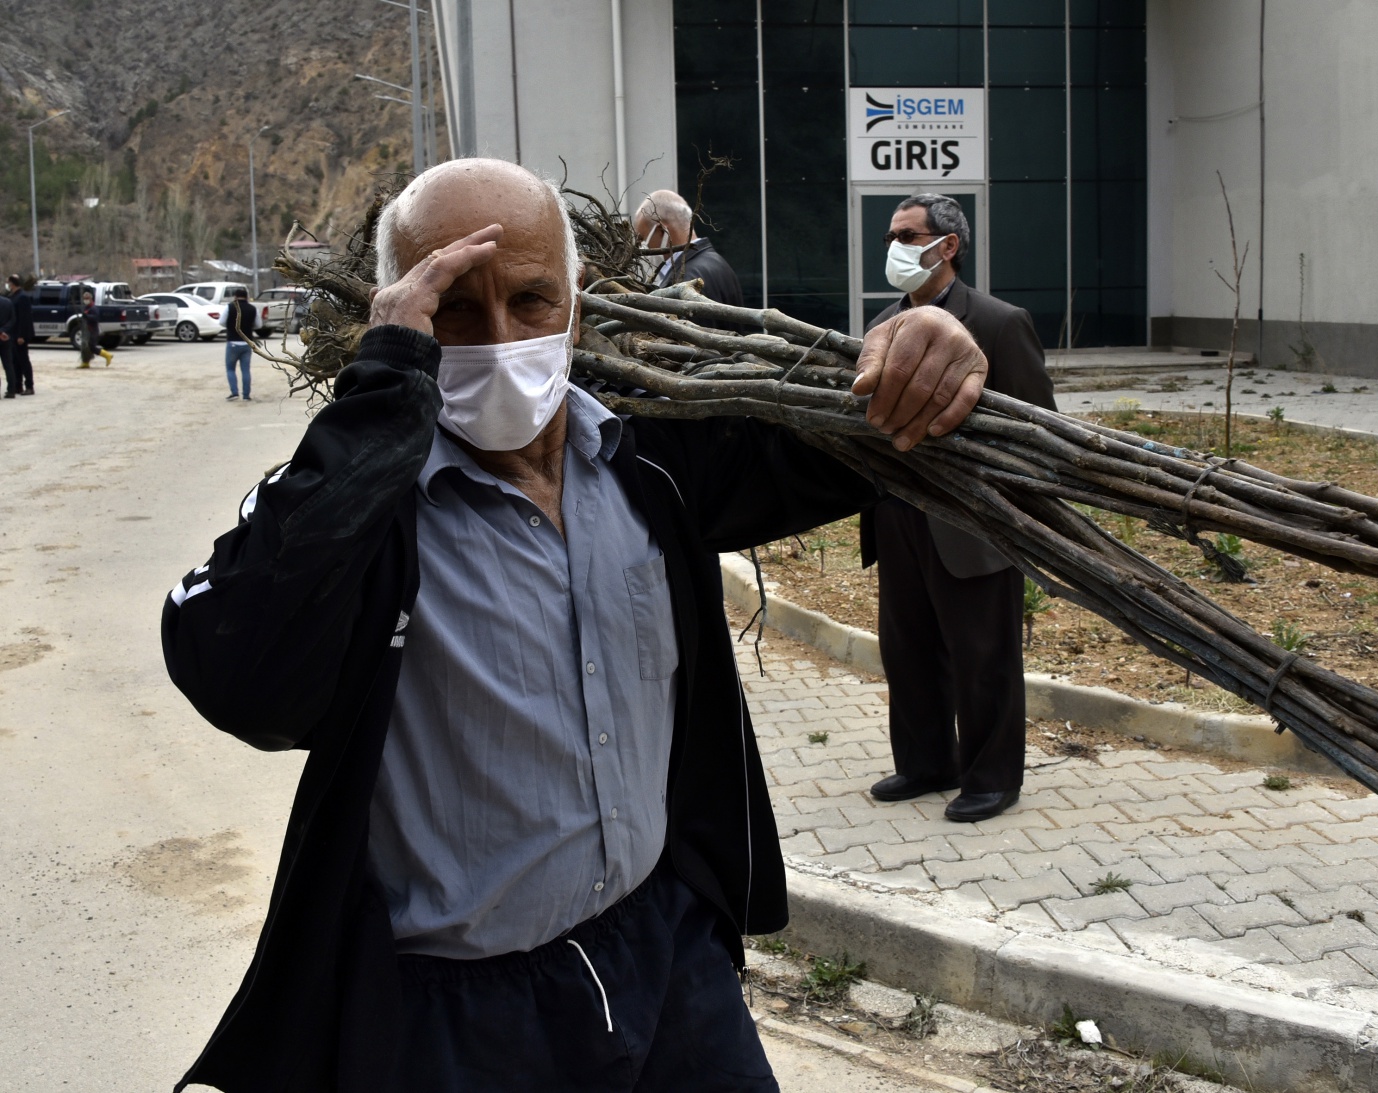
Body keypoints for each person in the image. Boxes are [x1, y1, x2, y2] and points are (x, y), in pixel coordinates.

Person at [160, 158, 988, 1093]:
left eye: (531, 299)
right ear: (400, 319)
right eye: (452, 311)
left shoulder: (650, 458)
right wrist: (383, 389)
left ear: (578, 303)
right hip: (458, 1018)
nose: (500, 338)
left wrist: (931, 336)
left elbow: (861, 437)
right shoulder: (363, 507)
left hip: (668, 954)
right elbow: (228, 665)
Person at [860, 193, 1059, 824]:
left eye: (907, 236)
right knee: (908, 650)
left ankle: (991, 778)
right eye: (890, 236)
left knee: (982, 656)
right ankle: (926, 764)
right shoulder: (883, 324)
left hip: (971, 523)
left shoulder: (999, 323)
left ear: (947, 246)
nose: (893, 247)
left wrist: (1013, 518)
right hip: (898, 515)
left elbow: (1039, 430)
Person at [633, 189, 743, 307]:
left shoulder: (684, 280)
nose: (642, 247)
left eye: (642, 239)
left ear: (662, 231)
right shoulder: (718, 263)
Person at [222, 287, 259, 400]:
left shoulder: (229, 307)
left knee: (230, 369)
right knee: (245, 370)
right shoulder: (253, 308)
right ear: (247, 297)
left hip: (232, 342)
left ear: (235, 297)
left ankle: (234, 393)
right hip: (247, 343)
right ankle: (246, 395)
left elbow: (221, 322)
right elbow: (259, 324)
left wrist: (230, 326)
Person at [6, 275, 35, 395]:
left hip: (20, 334)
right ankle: (18, 385)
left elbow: (24, 318)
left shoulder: (22, 297)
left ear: (12, 283)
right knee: (15, 361)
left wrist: (21, 335)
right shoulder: (13, 296)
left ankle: (29, 386)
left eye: (8, 282)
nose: (7, 285)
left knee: (23, 361)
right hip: (13, 334)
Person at [77, 287, 115, 368]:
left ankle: (107, 355)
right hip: (87, 330)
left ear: (91, 299)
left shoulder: (93, 308)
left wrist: (87, 316)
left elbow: (96, 318)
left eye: (87, 298)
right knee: (85, 347)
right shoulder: (86, 307)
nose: (86, 300)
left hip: (93, 330)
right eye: (84, 299)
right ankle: (85, 362)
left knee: (92, 347)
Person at [0, 289, 14, 398]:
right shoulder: (8, 302)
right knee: (8, 365)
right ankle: (11, 390)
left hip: (2, 335)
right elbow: (13, 320)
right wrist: (3, 331)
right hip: (5, 337)